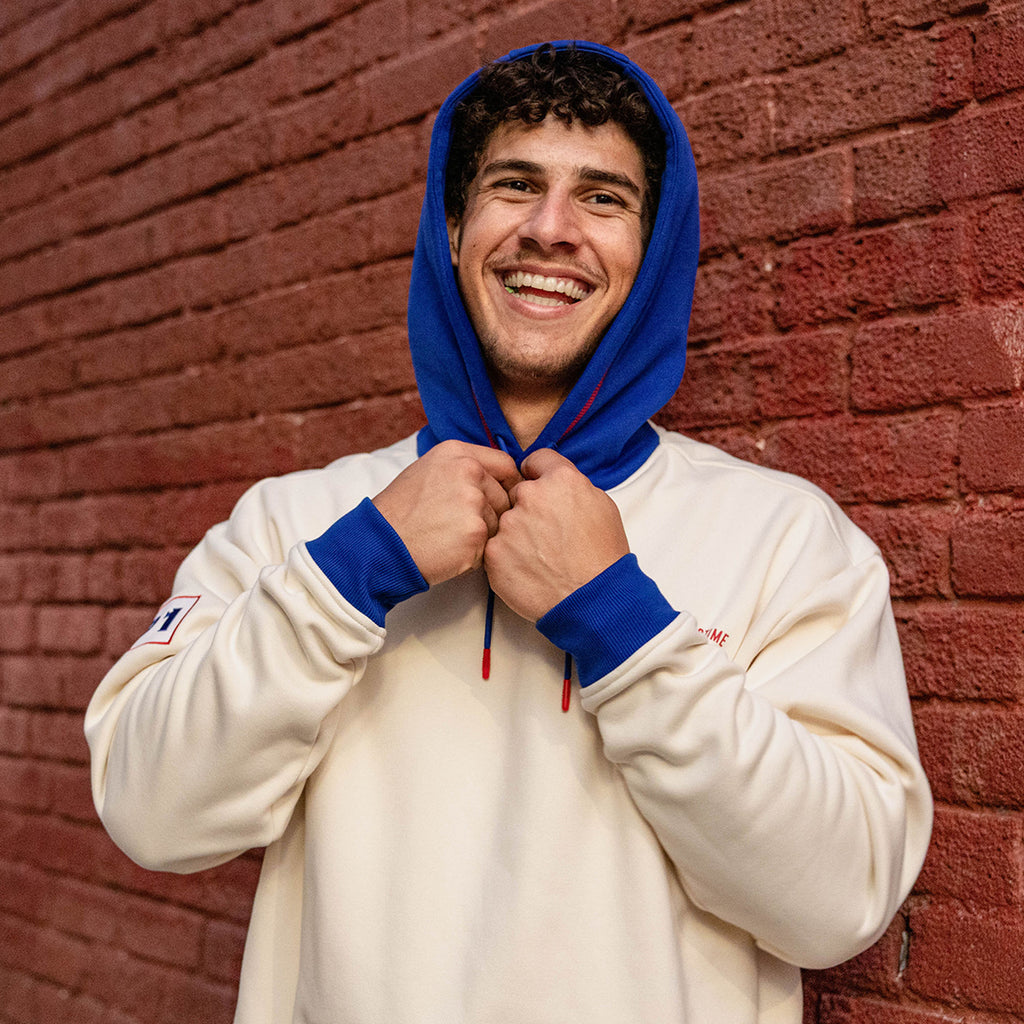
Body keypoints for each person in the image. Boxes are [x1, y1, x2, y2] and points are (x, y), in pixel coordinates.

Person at [85, 40, 932, 1024]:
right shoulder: (295, 521)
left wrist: (620, 620)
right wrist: (356, 569)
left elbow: (836, 902)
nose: (550, 229)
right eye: (515, 185)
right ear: (453, 230)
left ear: (652, 253)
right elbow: (150, 813)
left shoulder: (784, 537)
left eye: (602, 198)